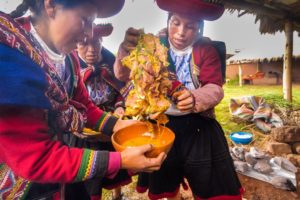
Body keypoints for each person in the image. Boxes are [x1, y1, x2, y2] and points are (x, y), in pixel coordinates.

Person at [0, 0, 166, 199]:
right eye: (84, 20)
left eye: (92, 23)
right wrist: (119, 160)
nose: (88, 33)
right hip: (23, 184)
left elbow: (85, 107)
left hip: (60, 170)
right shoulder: (11, 58)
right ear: (51, 6)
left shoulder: (68, 60)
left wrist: (120, 125)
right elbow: (38, 159)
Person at [114, 0, 243, 199]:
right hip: (162, 125)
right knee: (165, 174)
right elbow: (123, 75)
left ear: (199, 29)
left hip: (199, 126)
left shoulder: (206, 50)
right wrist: (125, 49)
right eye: (175, 22)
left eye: (190, 26)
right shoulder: (153, 46)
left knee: (207, 180)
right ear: (168, 21)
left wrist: (194, 98)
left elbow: (215, 88)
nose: (181, 32)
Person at [65, 24, 128, 199]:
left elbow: (120, 92)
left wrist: (119, 107)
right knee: (91, 175)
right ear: (76, 43)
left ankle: (118, 194)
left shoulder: (110, 62)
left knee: (117, 164)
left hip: (110, 122)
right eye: (84, 43)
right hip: (82, 130)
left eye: (97, 42)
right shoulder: (68, 65)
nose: (92, 49)